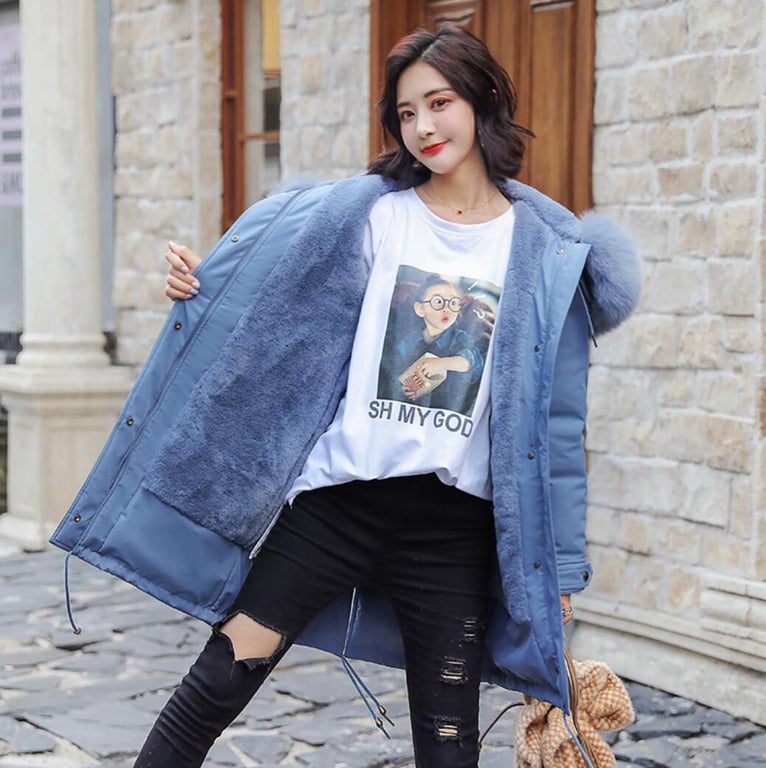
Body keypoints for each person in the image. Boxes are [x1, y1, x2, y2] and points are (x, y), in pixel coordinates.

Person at [50, 24, 640, 768]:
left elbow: (556, 429)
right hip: (337, 506)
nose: (423, 127)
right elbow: (277, 314)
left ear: (485, 98)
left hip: (454, 532)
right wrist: (205, 287)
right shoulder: (373, 216)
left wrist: (561, 572)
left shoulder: (545, 254)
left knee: (450, 746)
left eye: (440, 103)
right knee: (214, 686)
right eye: (406, 112)